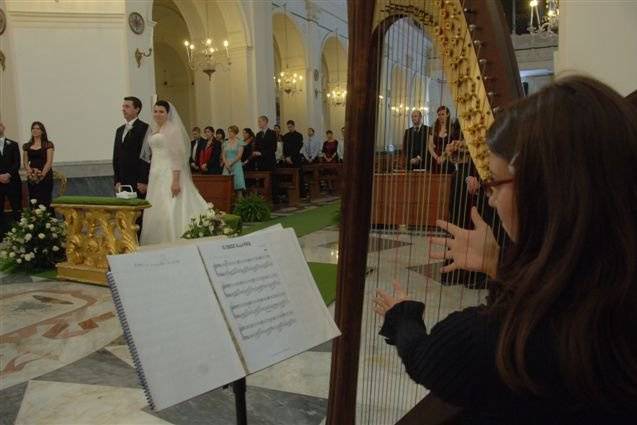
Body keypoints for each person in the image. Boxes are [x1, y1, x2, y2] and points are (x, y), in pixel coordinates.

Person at [373, 76, 637, 423]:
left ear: (542, 189)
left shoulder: (494, 340)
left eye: (494, 182)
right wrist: (498, 263)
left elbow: (426, 359)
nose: (491, 198)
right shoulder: (614, 290)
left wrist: (401, 316)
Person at [139, 100, 208, 245]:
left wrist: (175, 180)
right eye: (155, 111)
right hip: (155, 172)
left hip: (170, 173)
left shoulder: (173, 129)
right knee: (156, 205)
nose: (157, 114)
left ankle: (173, 238)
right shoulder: (155, 129)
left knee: (170, 205)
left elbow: (177, 156)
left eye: (161, 111)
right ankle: (155, 241)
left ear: (168, 113)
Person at [113, 96, 150, 198]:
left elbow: (145, 156)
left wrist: (143, 180)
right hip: (122, 182)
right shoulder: (119, 130)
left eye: (127, 106)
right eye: (123, 106)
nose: (123, 109)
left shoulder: (144, 128)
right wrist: (117, 180)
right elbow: (116, 156)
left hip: (137, 181)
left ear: (137, 109)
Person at [23, 121, 54, 208]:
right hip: (32, 176)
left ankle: (48, 220)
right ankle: (34, 220)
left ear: (42, 131)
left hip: (45, 175)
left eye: (37, 128)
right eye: (33, 128)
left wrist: (41, 175)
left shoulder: (48, 144)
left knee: (45, 199)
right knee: (34, 199)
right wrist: (30, 172)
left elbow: (49, 162)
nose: (35, 130)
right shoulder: (27, 146)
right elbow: (25, 162)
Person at [0, 121, 22, 237]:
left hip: (12, 182)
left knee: (16, 208)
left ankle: (19, 235)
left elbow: (17, 162)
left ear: (3, 127)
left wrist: (8, 174)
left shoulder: (13, 144)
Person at [427, 106, 457, 173]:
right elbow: (430, 146)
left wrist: (444, 157)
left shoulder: (453, 127)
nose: (440, 116)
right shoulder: (433, 128)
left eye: (443, 114)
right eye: (439, 115)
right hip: (435, 158)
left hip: (449, 158)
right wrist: (437, 158)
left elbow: (453, 144)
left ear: (448, 114)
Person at [222, 125, 246, 198]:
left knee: (238, 187)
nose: (229, 133)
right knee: (227, 186)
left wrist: (231, 163)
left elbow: (239, 156)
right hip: (226, 165)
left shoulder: (240, 142)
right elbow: (223, 155)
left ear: (235, 132)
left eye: (231, 131)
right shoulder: (225, 143)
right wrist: (226, 163)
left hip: (236, 164)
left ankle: (240, 206)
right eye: (228, 131)